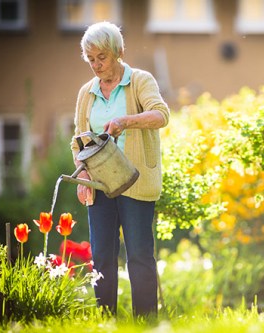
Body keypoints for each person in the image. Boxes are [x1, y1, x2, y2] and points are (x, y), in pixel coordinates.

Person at [70, 21, 170, 318]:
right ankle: (105, 320)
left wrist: (126, 121)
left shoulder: (140, 80)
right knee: (102, 256)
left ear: (119, 52)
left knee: (139, 255)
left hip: (135, 180)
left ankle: (146, 321)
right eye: (91, 59)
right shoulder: (86, 93)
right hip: (100, 184)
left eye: (102, 57)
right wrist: (83, 173)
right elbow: (79, 139)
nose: (97, 65)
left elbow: (161, 115)